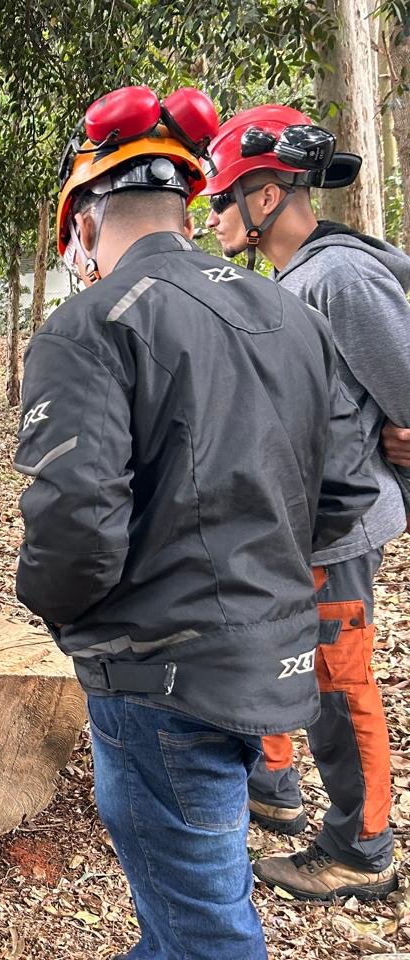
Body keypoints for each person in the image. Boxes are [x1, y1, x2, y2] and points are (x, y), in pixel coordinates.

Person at [16, 84, 378, 959]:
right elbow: (345, 497)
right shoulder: (290, 312)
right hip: (271, 661)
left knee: (209, 929)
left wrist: (66, 618)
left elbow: (72, 529)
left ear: (84, 221)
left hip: (156, 679)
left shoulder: (89, 323)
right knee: (185, 906)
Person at [203, 105, 410, 901]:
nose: (213, 215)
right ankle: (280, 790)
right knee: (288, 655)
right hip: (302, 525)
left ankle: (364, 847)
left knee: (338, 679)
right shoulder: (292, 279)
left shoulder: (341, 277)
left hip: (342, 525)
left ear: (264, 199)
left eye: (221, 200)